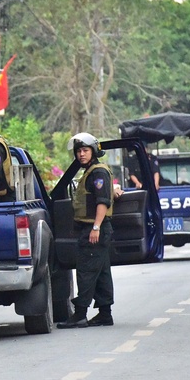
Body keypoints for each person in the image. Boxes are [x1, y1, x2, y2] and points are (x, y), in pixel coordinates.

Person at [57, 132, 120, 329]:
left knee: (86, 271)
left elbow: (102, 202)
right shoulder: (92, 172)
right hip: (96, 228)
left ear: (94, 151)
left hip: (94, 229)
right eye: (78, 151)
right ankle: (104, 314)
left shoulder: (98, 173)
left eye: (85, 150)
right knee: (101, 272)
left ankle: (80, 314)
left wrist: (95, 227)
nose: (81, 154)